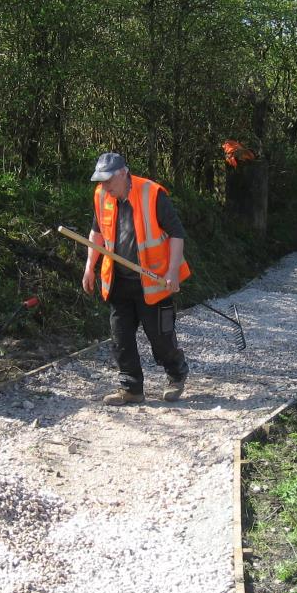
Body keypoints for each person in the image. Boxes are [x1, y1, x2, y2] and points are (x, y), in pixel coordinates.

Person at [81, 152, 190, 405]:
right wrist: (90, 267)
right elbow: (97, 233)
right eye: (101, 181)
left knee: (161, 338)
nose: (104, 186)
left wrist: (172, 272)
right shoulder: (101, 195)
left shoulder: (152, 194)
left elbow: (176, 233)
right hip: (119, 281)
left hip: (153, 282)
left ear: (123, 173)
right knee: (120, 337)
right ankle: (131, 388)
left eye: (108, 180)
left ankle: (176, 375)